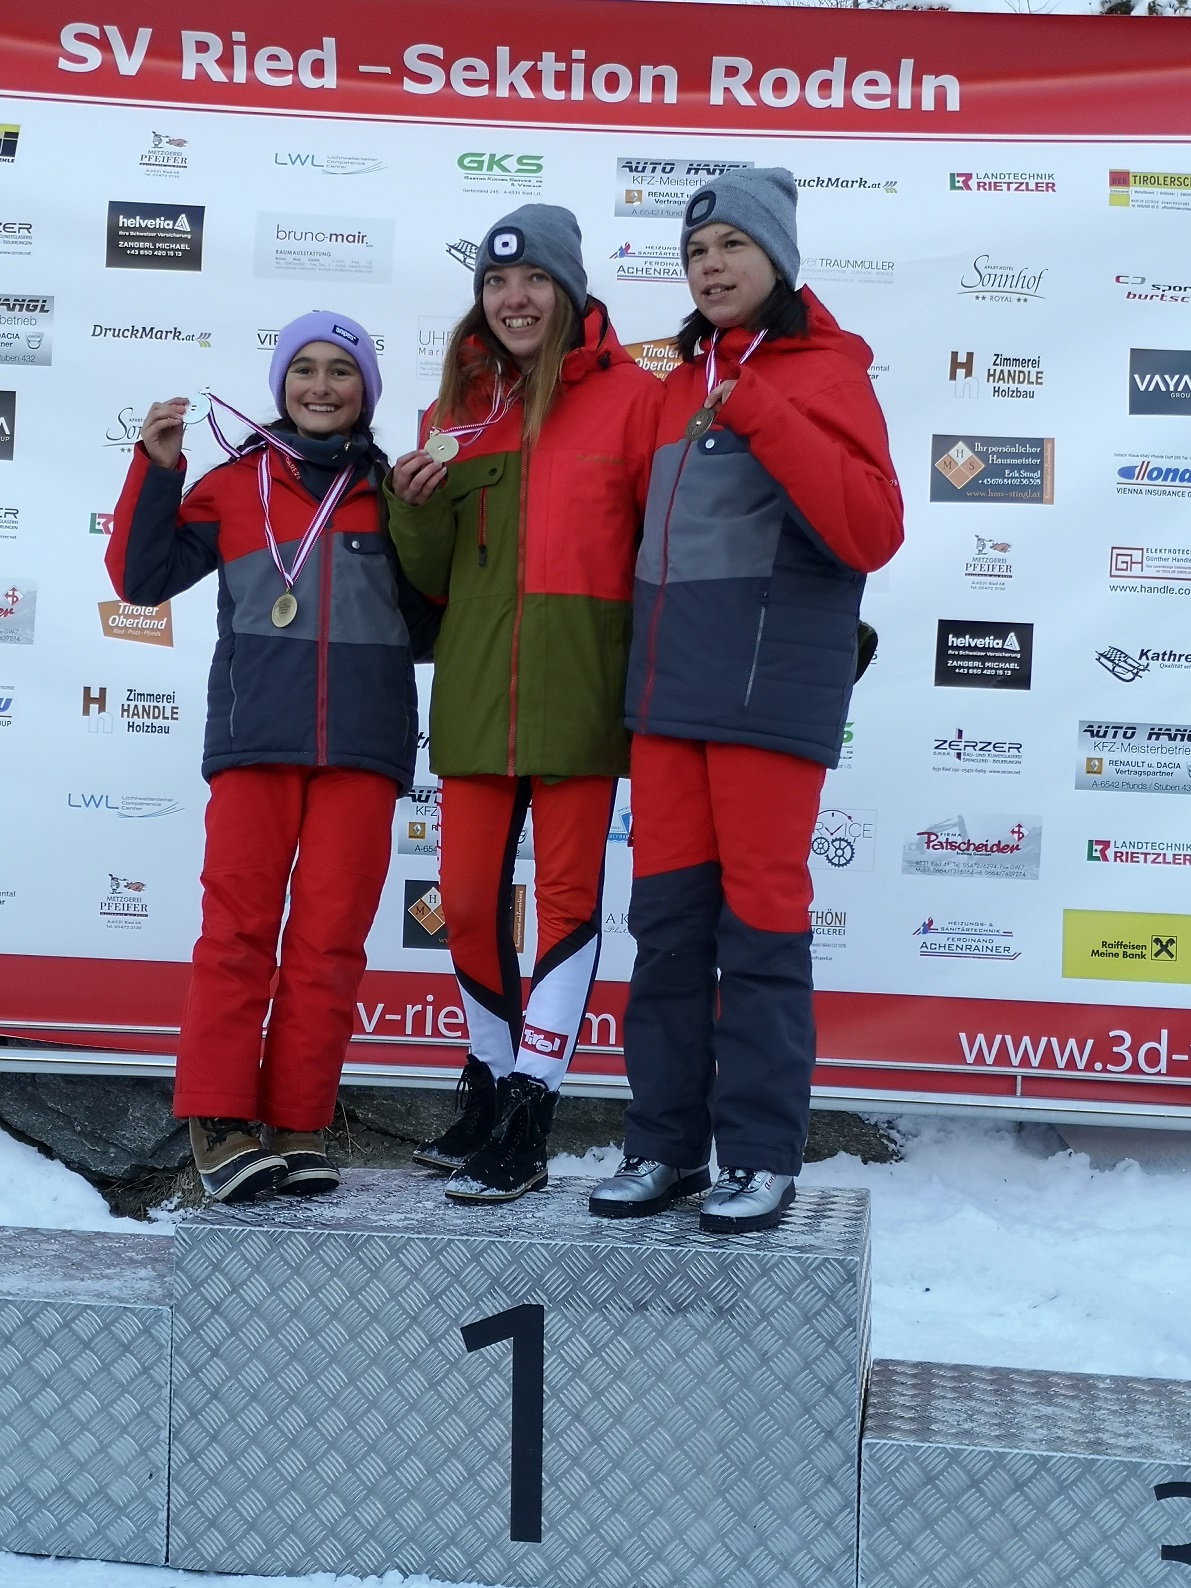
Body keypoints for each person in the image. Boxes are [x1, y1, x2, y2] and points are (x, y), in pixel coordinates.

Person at [589, 169, 903, 1233]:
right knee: (667, 930)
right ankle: (664, 1144)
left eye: (730, 245)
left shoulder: (826, 371)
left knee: (761, 931)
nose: (710, 266)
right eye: (695, 252)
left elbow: (870, 531)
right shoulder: (675, 380)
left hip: (767, 698)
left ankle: (761, 1157)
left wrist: (765, 413)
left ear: (778, 258)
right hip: (668, 701)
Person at [106, 312, 436, 1203]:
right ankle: (219, 1120)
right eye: (305, 370)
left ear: (366, 390)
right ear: (282, 384)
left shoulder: (390, 492)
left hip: (362, 748)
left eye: (341, 371)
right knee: (238, 935)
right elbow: (141, 578)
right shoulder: (233, 484)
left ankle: (296, 1122)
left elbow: (432, 621)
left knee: (329, 944)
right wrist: (158, 468)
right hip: (255, 741)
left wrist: (430, 519)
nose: (321, 386)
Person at [388, 204, 663, 1203]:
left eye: (535, 280)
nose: (514, 299)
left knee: (565, 907)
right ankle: (488, 1079)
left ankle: (531, 1111)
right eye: (498, 282)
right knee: (464, 904)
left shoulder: (635, 400)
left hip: (579, 693)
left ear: (570, 290)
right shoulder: (457, 409)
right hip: (473, 693)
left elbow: (669, 543)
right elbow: (431, 578)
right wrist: (412, 508)